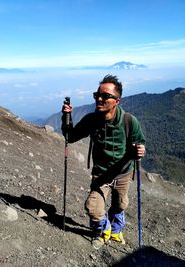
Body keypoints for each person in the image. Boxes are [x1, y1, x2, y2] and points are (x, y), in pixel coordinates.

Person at [61, 74, 146, 249]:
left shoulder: (129, 121)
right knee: (93, 207)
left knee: (120, 204)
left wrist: (140, 150)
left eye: (105, 96)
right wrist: (66, 117)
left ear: (117, 101)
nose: (99, 99)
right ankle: (103, 230)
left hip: (123, 173)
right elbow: (70, 136)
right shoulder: (92, 120)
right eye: (97, 95)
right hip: (101, 174)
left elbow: (140, 142)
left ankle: (116, 231)